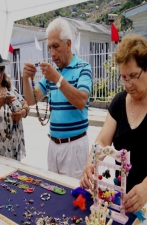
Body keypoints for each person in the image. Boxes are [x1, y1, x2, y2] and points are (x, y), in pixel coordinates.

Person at [80, 33, 147, 212]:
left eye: (133, 76)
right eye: (124, 77)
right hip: (123, 198)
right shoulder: (119, 102)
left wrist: (146, 188)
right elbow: (102, 141)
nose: (128, 85)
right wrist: (91, 163)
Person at [23, 17, 92, 178]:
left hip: (74, 145)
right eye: (49, 47)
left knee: (74, 198)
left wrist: (58, 79)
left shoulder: (83, 68)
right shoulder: (52, 72)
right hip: (53, 145)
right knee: (55, 192)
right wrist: (25, 78)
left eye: (56, 46)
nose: (52, 53)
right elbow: (32, 99)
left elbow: (82, 101)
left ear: (68, 44)